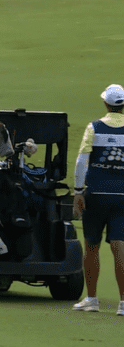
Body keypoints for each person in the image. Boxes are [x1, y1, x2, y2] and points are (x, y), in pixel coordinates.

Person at [72, 83, 124, 315]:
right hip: (122, 195)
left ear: (105, 103)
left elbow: (82, 161)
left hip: (96, 194)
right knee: (119, 245)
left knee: (91, 245)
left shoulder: (94, 128)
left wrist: (77, 190)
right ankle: (123, 303)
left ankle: (92, 299)